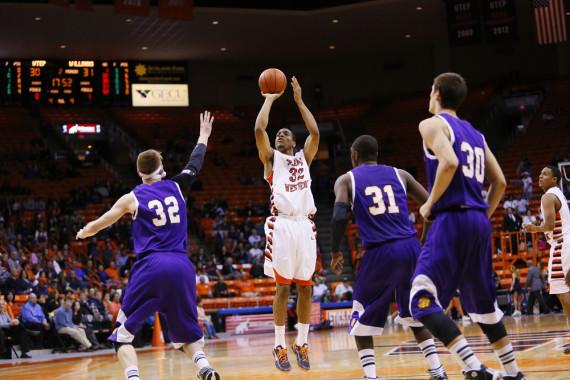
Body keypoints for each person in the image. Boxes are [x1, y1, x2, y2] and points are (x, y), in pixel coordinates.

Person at [76, 111, 219, 380]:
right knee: (187, 331)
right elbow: (195, 162)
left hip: (151, 266)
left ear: (140, 173)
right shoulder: (177, 186)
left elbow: (104, 220)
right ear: (162, 171)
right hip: (181, 266)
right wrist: (203, 135)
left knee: (122, 336)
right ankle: (203, 366)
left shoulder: (132, 198)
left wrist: (85, 231)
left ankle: (133, 377)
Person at [410, 73, 526, 379]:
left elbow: (448, 163)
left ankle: (474, 367)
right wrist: (481, 216)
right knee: (483, 308)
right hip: (477, 220)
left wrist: (429, 204)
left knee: (419, 300)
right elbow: (499, 182)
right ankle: (514, 373)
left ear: (435, 93)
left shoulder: (431, 124)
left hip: (452, 218)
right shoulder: (477, 134)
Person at [330, 134, 448, 380]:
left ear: (354, 155)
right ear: (376, 154)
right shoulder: (400, 174)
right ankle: (437, 370)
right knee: (416, 313)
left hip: (379, 250)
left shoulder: (346, 179)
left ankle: (371, 377)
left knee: (360, 318)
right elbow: (431, 207)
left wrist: (335, 250)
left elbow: (339, 216)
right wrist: (423, 239)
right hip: (409, 247)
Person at [255, 77, 319, 371]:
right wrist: (270, 98)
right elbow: (259, 129)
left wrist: (299, 100)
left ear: (293, 142)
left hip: (305, 226)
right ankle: (279, 344)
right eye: (277, 133)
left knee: (306, 288)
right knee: (282, 288)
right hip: (281, 225)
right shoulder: (271, 160)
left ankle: (302, 342)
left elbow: (315, 132)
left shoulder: (304, 157)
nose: (279, 135)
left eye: (285, 133)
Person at [523, 165, 570, 354]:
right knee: (563, 293)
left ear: (554, 179)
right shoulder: (557, 193)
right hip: (562, 243)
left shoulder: (548, 196)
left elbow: (549, 225)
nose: (540, 176)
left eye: (545, 174)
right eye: (540, 173)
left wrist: (534, 229)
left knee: (564, 292)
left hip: (562, 244)